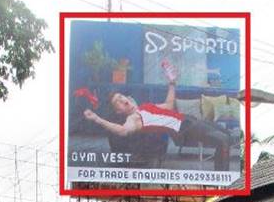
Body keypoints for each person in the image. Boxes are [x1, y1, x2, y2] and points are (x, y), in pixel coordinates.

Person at [83, 60, 232, 171]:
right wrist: (97, 119)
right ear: (119, 111)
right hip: (184, 128)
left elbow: (168, 105)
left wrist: (172, 83)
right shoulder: (133, 119)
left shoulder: (146, 107)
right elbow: (122, 130)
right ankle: (225, 183)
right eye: (118, 102)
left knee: (228, 137)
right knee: (223, 140)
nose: (123, 99)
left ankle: (223, 174)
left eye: (122, 96)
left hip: (189, 119)